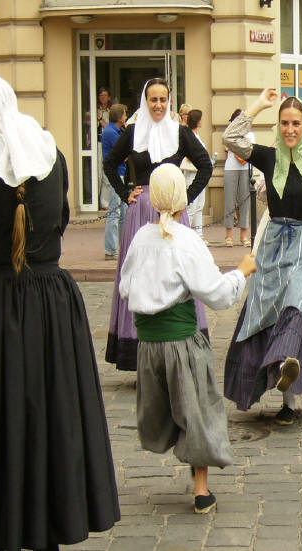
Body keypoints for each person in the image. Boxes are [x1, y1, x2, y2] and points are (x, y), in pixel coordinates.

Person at [0, 72, 120, 551]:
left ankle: (1, 525)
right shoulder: (53, 154)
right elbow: (62, 222)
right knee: (51, 413)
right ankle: (50, 525)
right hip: (52, 302)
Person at [119, 164, 256, 514]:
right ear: (182, 200)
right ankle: (200, 489)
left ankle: (194, 479)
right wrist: (241, 271)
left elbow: (124, 288)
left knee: (172, 407)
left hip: (147, 347)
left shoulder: (139, 239)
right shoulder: (185, 240)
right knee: (199, 411)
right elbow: (217, 294)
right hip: (181, 344)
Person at [222, 89, 302, 424]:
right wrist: (259, 105)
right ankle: (287, 395)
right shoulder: (268, 156)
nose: (290, 129)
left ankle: (288, 369)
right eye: (285, 123)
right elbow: (231, 138)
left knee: (298, 302)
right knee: (265, 315)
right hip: (274, 244)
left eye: (296, 123)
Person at [103, 77, 213, 371]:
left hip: (174, 213)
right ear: (145, 101)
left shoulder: (179, 133)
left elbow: (205, 165)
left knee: (179, 273)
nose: (158, 105)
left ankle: (181, 339)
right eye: (153, 99)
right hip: (142, 213)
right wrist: (126, 193)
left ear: (169, 102)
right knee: (143, 274)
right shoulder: (133, 132)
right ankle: (139, 345)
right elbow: (109, 163)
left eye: (163, 99)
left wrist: (185, 197)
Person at [223, 108, 253, 247]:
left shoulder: (250, 135)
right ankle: (228, 236)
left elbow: (250, 151)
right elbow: (229, 147)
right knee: (229, 201)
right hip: (231, 168)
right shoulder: (229, 133)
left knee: (244, 201)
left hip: (245, 168)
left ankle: (243, 236)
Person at [102, 103, 128, 260]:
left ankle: (123, 246)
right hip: (115, 174)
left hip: (121, 173)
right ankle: (111, 249)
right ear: (119, 116)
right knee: (115, 211)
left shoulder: (117, 130)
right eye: (124, 114)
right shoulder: (111, 132)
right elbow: (123, 152)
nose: (126, 117)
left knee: (123, 211)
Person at [182, 108, 208, 237]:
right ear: (197, 121)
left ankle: (199, 234)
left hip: (200, 173)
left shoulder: (196, 136)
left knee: (199, 206)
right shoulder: (189, 135)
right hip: (191, 173)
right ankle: (186, 234)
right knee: (191, 206)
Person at [97, 86, 112, 209]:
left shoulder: (111, 112)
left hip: (107, 143)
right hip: (96, 143)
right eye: (101, 95)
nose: (103, 97)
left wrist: (100, 119)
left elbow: (109, 127)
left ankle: (105, 202)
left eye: (105, 95)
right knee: (97, 173)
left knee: (106, 173)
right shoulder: (94, 110)